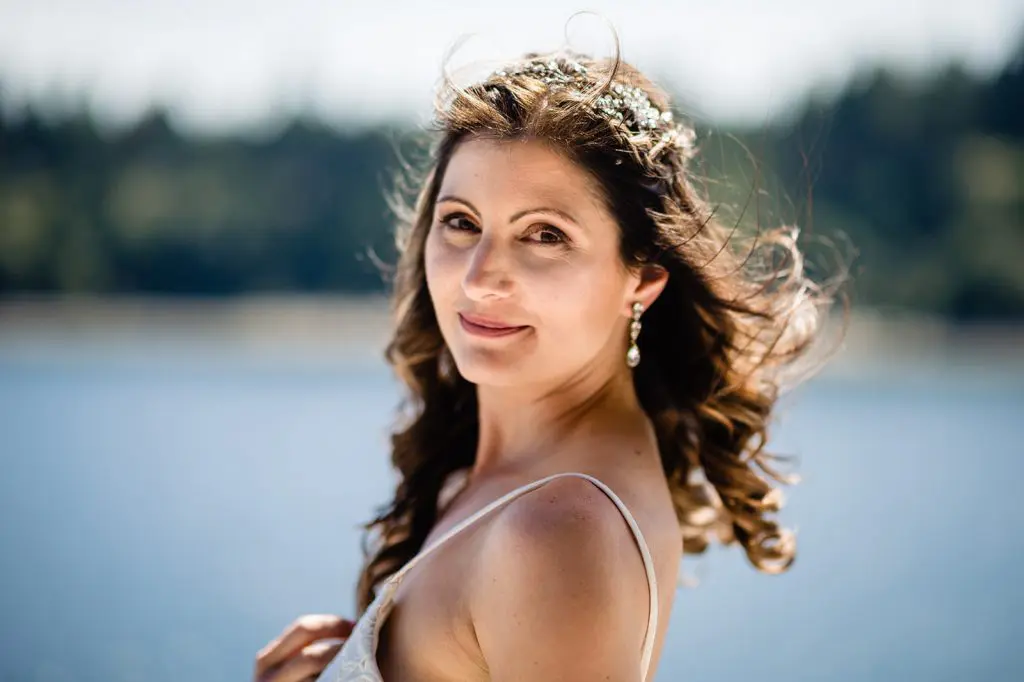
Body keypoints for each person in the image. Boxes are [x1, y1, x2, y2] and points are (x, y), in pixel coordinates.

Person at [254, 23, 846, 682]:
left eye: (543, 235)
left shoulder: (554, 533)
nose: (479, 277)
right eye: (461, 222)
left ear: (641, 279)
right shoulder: (515, 482)